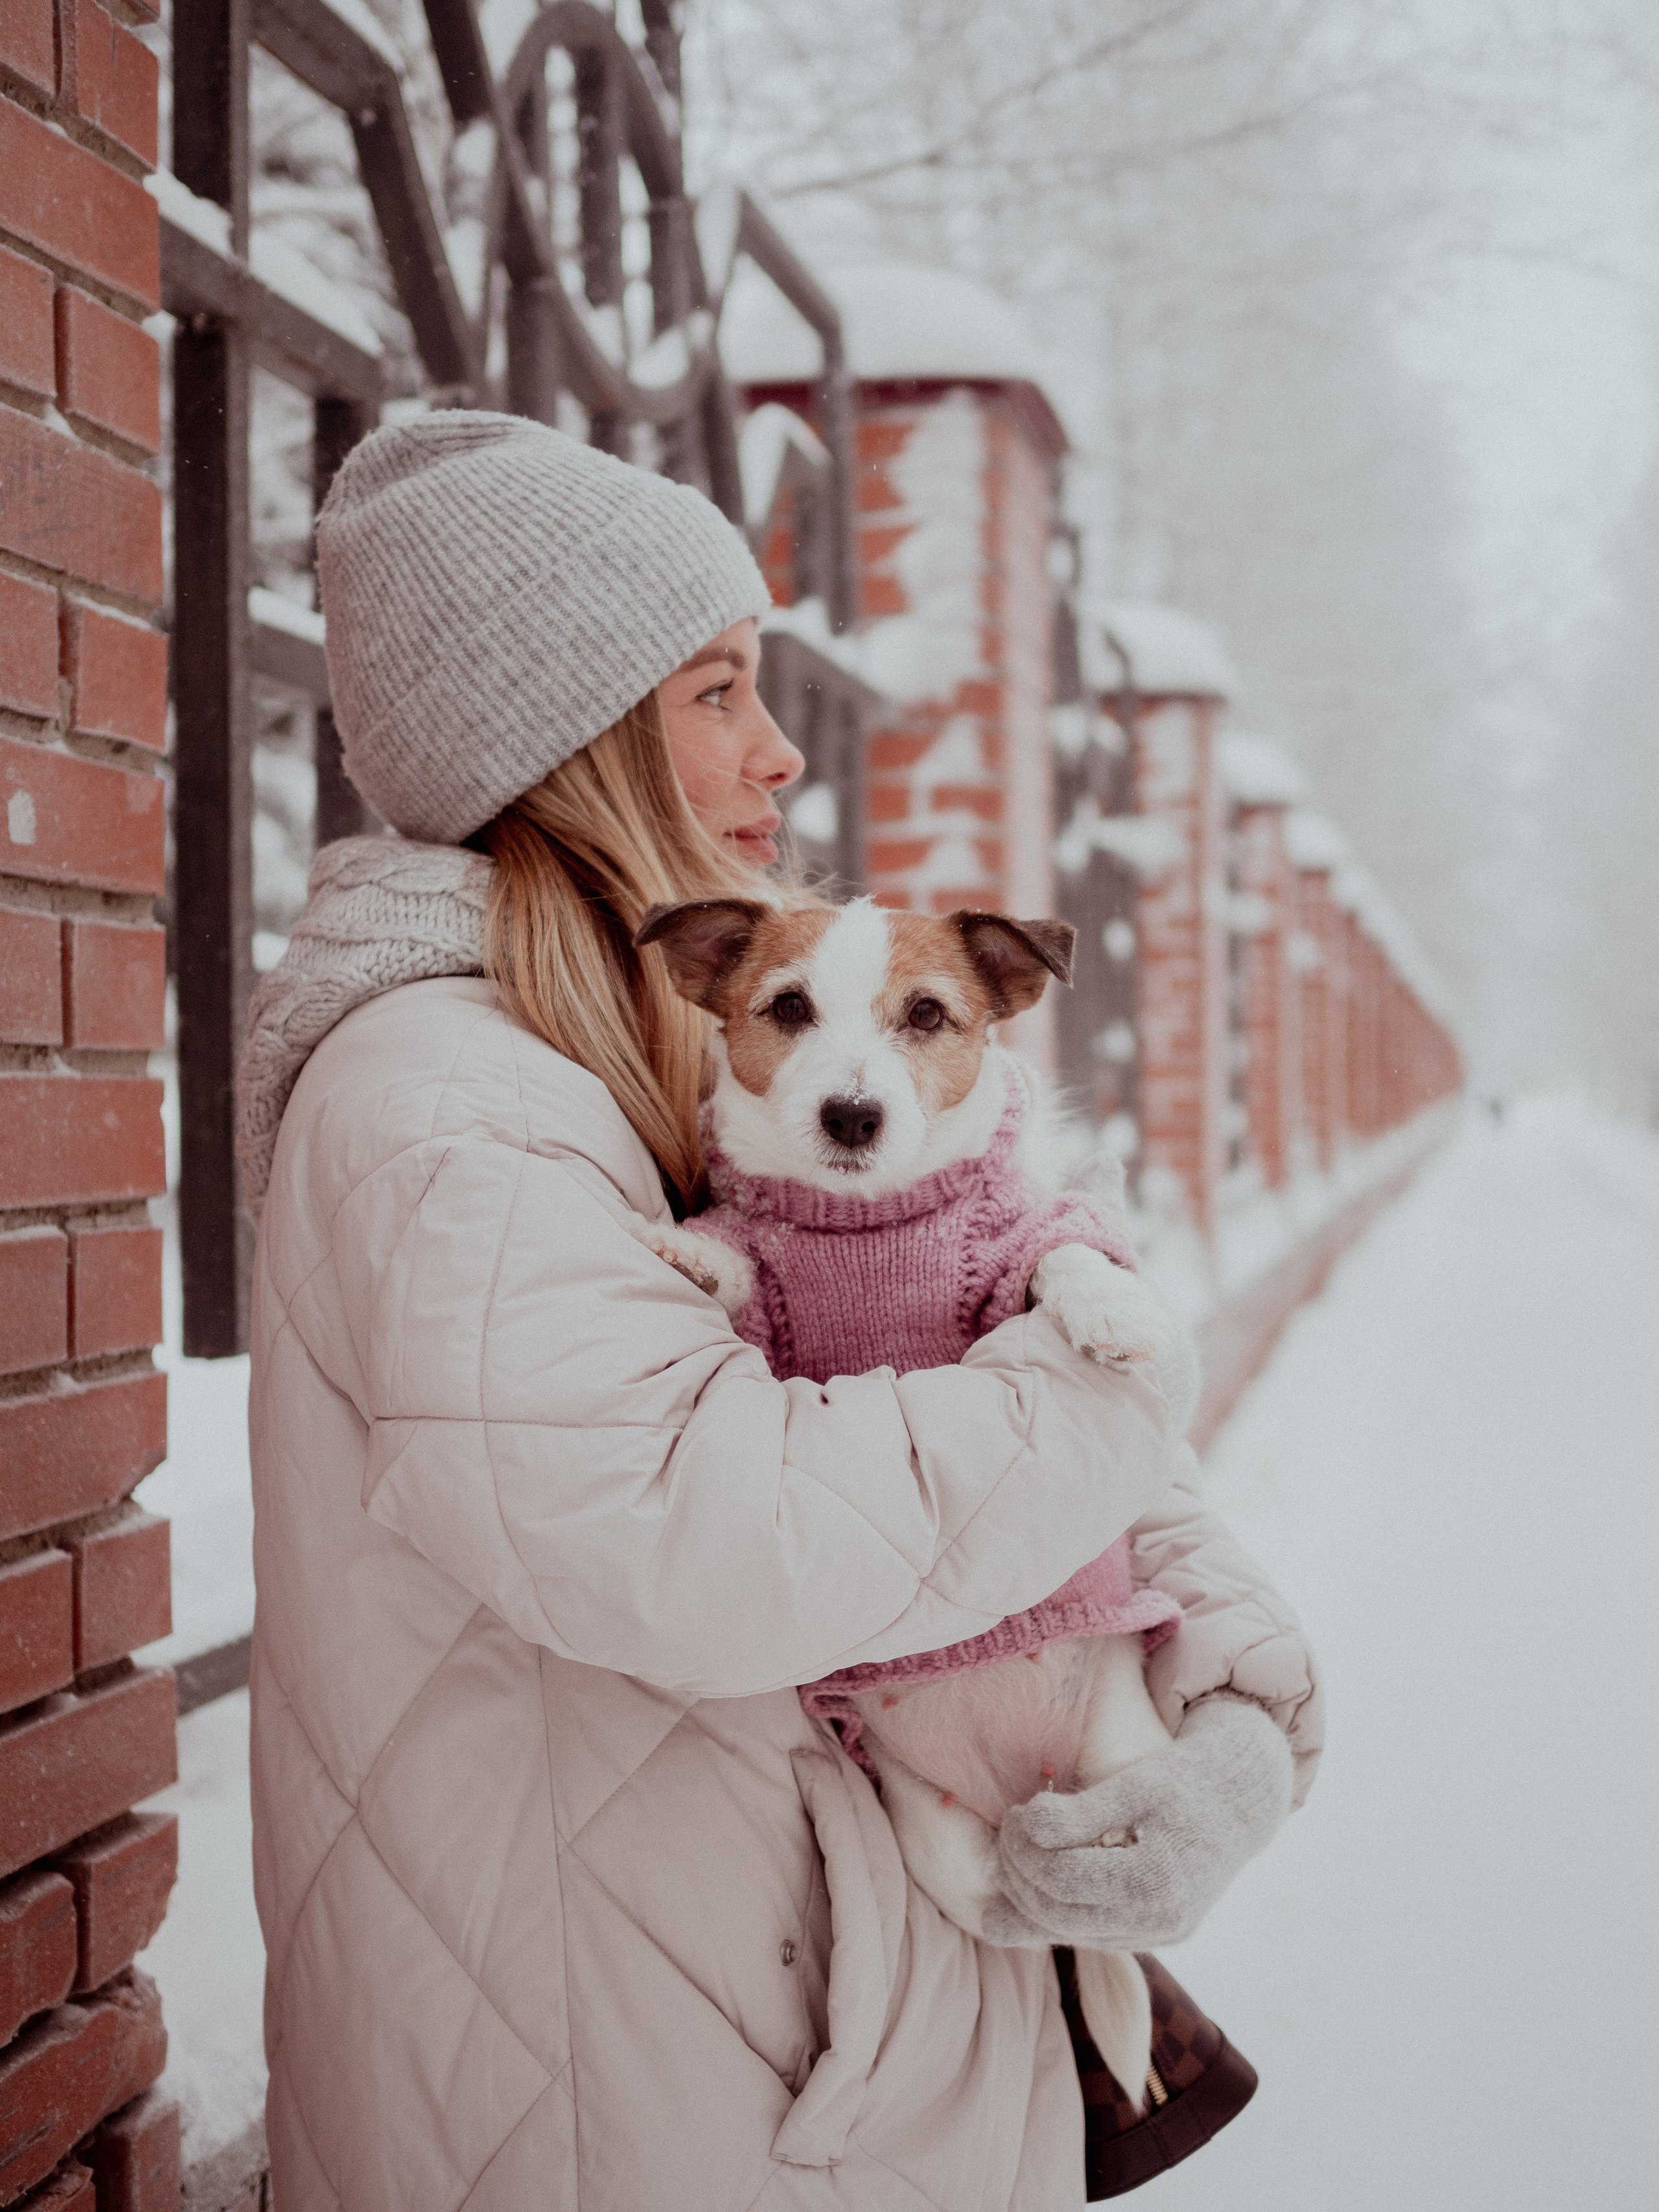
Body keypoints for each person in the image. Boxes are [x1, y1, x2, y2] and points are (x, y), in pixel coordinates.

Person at [237, 413, 1321, 2211]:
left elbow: (946, 1373)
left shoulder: (688, 1053)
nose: (777, 755)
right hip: (640, 2114)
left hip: (803, 2056)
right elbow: (709, 1531)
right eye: (718, 691)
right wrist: (1102, 1381)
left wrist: (1228, 1705)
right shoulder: (447, 1100)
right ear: (568, 735)